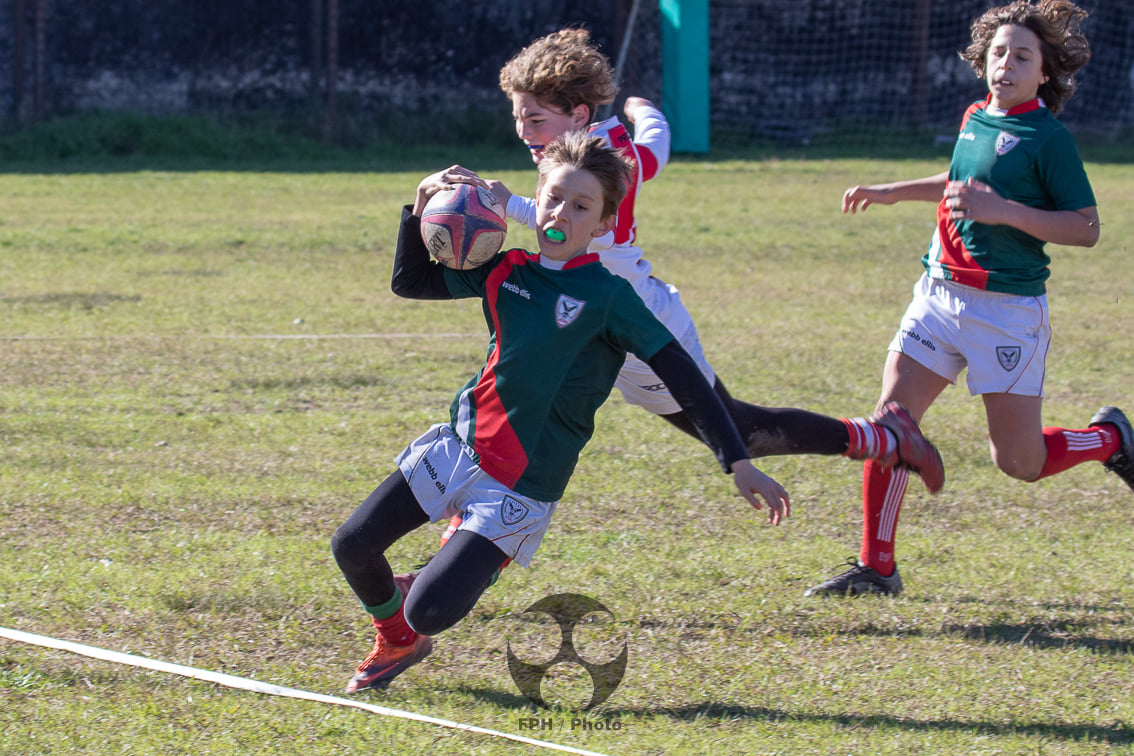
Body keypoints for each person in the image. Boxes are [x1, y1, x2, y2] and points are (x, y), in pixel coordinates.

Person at [437, 27, 947, 552]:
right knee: (519, 417)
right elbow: (657, 147)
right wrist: (645, 111)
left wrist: (503, 202)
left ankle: (882, 437)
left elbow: (589, 232)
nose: (523, 130)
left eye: (535, 118)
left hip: (624, 318)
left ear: (580, 114)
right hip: (588, 306)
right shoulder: (599, 145)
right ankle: (455, 553)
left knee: (736, 431)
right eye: (518, 115)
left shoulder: (610, 159)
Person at [331, 132, 791, 693]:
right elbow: (412, 282)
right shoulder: (507, 269)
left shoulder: (610, 296)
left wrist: (735, 459)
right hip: (458, 448)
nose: (561, 213)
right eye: (553, 198)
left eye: (581, 206)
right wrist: (420, 204)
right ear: (534, 201)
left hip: (521, 487)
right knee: (351, 546)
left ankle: (437, 594)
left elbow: (682, 374)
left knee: (429, 610)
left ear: (601, 224)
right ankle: (396, 637)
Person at [805, 0, 1133, 598]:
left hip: (1005, 313)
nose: (1006, 63)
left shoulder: (1048, 139)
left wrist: (1004, 211)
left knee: (1019, 462)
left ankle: (1109, 439)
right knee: (892, 422)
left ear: (1044, 73)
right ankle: (877, 566)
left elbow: (1085, 228)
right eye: (999, 52)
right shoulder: (975, 116)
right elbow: (956, 184)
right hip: (937, 295)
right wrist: (889, 192)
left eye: (1022, 56)